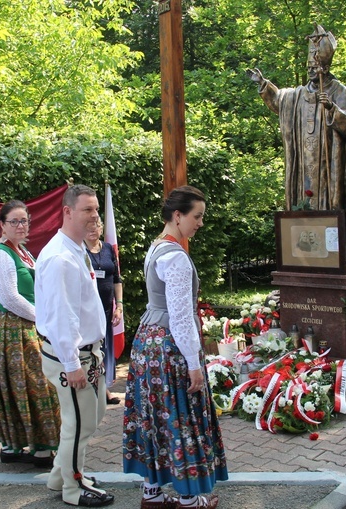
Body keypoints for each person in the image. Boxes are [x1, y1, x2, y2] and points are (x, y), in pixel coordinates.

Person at [123, 186, 228, 509]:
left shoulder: (156, 247)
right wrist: (195, 365)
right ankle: (188, 498)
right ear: (178, 216)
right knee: (181, 415)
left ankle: (151, 493)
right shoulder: (176, 259)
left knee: (154, 415)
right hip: (169, 346)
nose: (200, 223)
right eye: (197, 217)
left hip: (147, 342)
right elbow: (181, 317)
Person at [247, 23, 346, 256]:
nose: (311, 70)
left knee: (329, 205)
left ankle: (334, 253)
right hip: (304, 171)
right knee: (304, 202)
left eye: (315, 66)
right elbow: (280, 100)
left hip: (329, 169)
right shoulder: (297, 95)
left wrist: (332, 109)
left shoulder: (339, 92)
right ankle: (306, 252)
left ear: (325, 66)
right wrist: (263, 85)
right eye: (308, 66)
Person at [34, 185, 114, 508]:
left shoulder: (75, 248)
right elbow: (61, 318)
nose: (95, 216)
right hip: (72, 357)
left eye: (96, 209)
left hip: (87, 353)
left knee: (89, 419)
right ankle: (72, 487)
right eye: (87, 210)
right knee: (78, 423)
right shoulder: (59, 258)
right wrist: (72, 364)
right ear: (67, 212)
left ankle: (60, 474)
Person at [0, 200, 60, 467]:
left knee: (27, 384)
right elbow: (9, 298)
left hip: (23, 326)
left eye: (24, 221)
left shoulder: (23, 252)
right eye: (14, 221)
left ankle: (24, 447)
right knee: (30, 384)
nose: (21, 226)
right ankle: (27, 447)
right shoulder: (0, 254)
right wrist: (43, 319)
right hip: (9, 328)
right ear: (1, 225)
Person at [84, 218, 124, 405]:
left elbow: (116, 279)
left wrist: (120, 306)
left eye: (97, 226)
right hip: (87, 311)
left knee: (104, 348)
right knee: (91, 349)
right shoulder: (79, 250)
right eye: (89, 227)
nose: (93, 230)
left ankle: (104, 388)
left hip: (107, 309)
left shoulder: (108, 248)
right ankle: (94, 389)